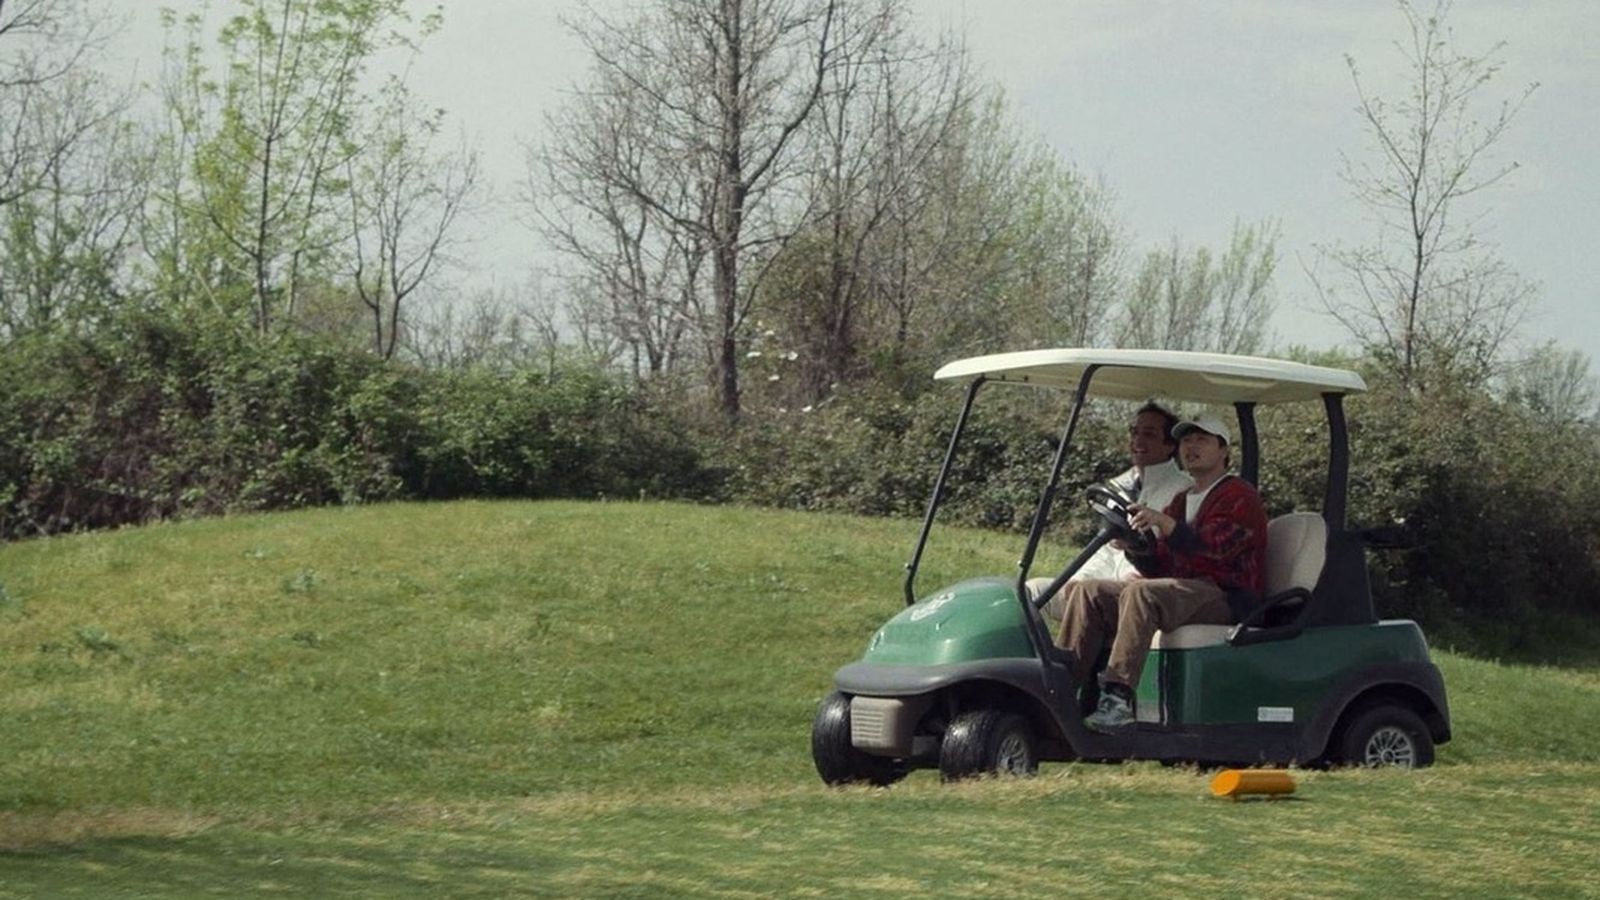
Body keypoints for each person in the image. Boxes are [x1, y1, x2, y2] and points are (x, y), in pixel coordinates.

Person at [1054, 415, 1268, 731]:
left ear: (1224, 451)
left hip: (1228, 596)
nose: (1191, 447)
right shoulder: (1182, 501)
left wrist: (1166, 525)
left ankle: (1118, 699)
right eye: (1186, 441)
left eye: (1202, 440)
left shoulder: (1239, 495)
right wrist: (1133, 545)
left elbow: (1216, 549)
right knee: (1091, 591)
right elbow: (1163, 564)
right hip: (1186, 592)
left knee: (1142, 592)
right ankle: (1061, 693)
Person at [1034, 401, 1192, 621]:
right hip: (1105, 582)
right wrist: (1078, 579)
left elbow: (1168, 556)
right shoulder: (1121, 485)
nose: (1137, 441)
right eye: (1134, 433)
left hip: (1140, 589)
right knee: (1030, 593)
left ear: (1170, 446)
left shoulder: (1183, 491)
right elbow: (1108, 550)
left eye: (1149, 434)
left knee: (1085, 594)